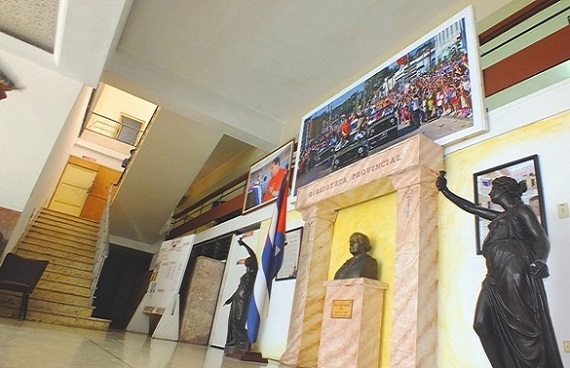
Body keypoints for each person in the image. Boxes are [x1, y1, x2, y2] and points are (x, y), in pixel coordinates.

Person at [436, 171, 563, 368]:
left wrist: (541, 260)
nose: (491, 192)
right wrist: (445, 190)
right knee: (481, 323)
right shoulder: (501, 216)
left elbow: (540, 239)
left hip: (514, 271)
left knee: (523, 330)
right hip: (494, 276)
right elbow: (470, 207)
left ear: (504, 190)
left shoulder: (522, 211)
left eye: (493, 188)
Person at [224, 238, 258, 354]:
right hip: (238, 297)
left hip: (245, 298)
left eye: (249, 262)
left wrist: (244, 244)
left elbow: (252, 254)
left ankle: (245, 340)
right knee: (233, 320)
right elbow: (240, 288)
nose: (247, 264)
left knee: (239, 319)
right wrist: (231, 298)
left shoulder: (253, 272)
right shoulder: (245, 274)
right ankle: (235, 341)